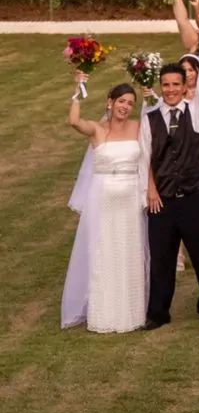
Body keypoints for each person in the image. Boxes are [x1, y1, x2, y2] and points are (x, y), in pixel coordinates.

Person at [140, 63, 199, 330]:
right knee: (161, 259)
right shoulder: (149, 118)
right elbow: (145, 160)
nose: (171, 89)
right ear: (160, 87)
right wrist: (151, 190)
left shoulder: (197, 113)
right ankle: (158, 313)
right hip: (162, 200)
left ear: (185, 86)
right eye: (166, 85)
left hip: (193, 197)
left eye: (176, 84)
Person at [63, 79, 148, 333]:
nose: (125, 106)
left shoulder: (138, 127)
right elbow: (74, 122)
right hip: (104, 199)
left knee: (130, 249)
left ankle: (132, 311)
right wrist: (77, 92)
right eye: (121, 101)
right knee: (105, 251)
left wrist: (150, 95)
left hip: (131, 197)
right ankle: (104, 312)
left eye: (130, 103)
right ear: (110, 102)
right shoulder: (97, 130)